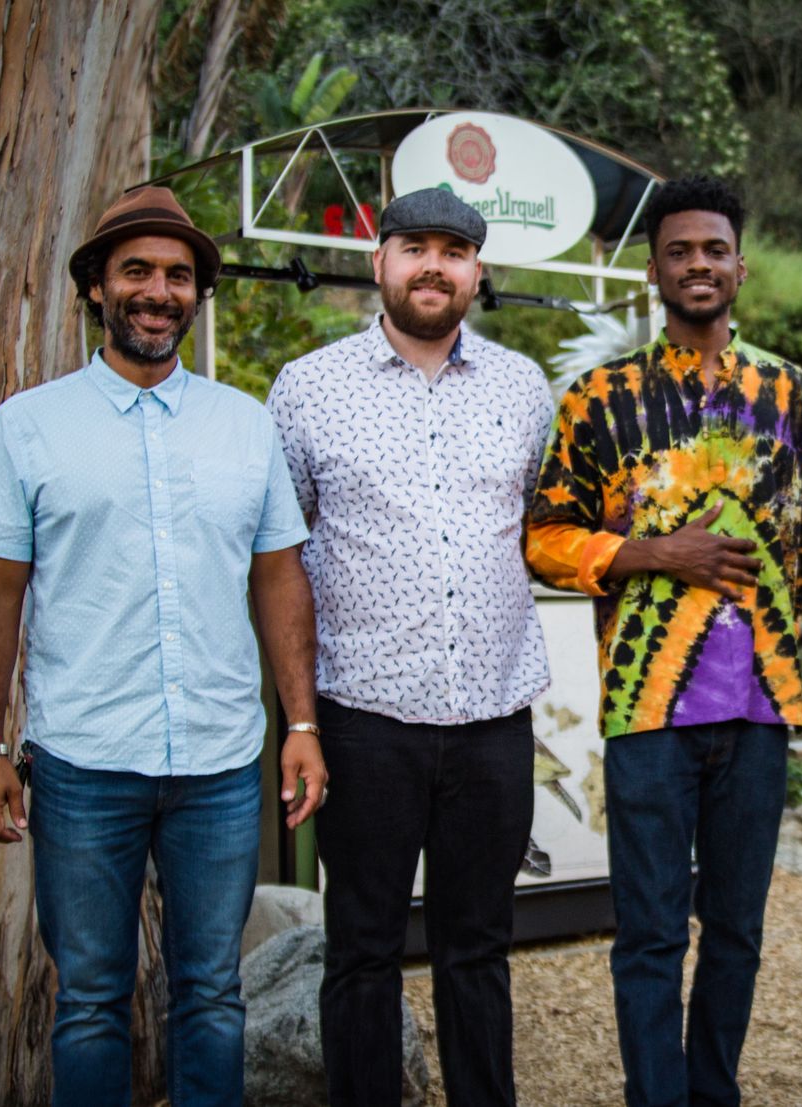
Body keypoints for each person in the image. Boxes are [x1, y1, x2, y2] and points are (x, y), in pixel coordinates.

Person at [0, 185, 326, 1107]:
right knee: (89, 1000)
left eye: (178, 275)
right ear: (96, 287)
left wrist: (302, 723)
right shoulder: (30, 425)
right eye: (137, 271)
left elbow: (280, 576)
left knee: (213, 994)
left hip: (219, 763)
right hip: (84, 761)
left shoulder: (243, 424)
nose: (159, 291)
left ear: (196, 293)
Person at [525, 175, 802, 1107]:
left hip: (759, 704)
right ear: (653, 271)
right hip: (646, 706)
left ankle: (713, 1092)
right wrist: (653, 553)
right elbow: (544, 536)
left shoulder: (792, 394)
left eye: (715, 249)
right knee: (651, 934)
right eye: (680, 251)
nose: (699, 264)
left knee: (737, 931)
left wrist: (776, 645)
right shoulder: (599, 397)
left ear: (741, 266)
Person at [266, 188, 555, 1107]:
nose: (434, 265)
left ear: (477, 271)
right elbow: (278, 558)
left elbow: (531, 523)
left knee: (479, 948)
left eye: (454, 251)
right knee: (362, 950)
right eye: (415, 247)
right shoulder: (307, 388)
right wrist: (301, 720)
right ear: (380, 261)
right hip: (364, 720)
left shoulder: (522, 387)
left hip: (493, 720)